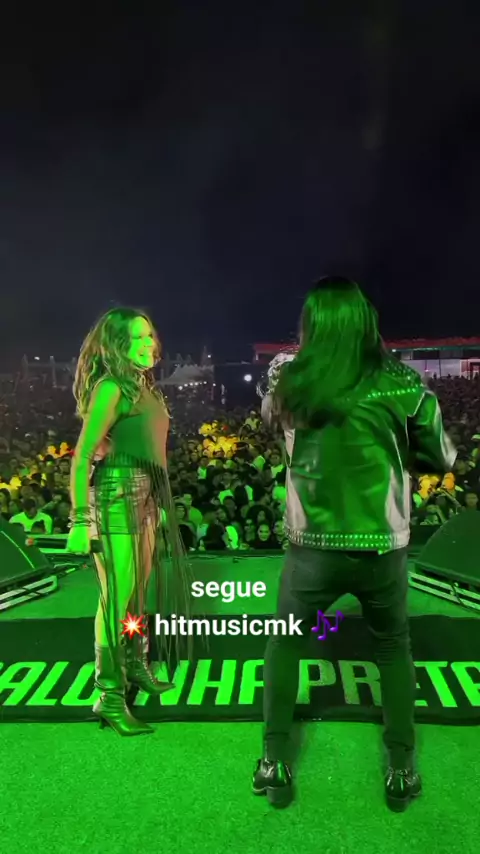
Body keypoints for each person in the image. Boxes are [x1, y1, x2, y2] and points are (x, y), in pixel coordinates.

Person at [253, 276, 456, 812]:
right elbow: (442, 457)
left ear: (311, 324)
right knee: (392, 648)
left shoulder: (290, 379)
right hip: (382, 546)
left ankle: (274, 760)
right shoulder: (403, 382)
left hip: (311, 549)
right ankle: (402, 769)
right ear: (366, 321)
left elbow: (272, 421)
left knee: (286, 645)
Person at [66, 307, 193, 736]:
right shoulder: (111, 387)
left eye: (149, 336)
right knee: (116, 597)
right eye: (137, 338)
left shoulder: (144, 386)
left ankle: (136, 663)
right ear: (117, 345)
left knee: (137, 593)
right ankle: (108, 694)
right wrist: (80, 521)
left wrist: (155, 498)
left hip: (147, 495)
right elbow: (82, 456)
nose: (148, 344)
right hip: (117, 495)